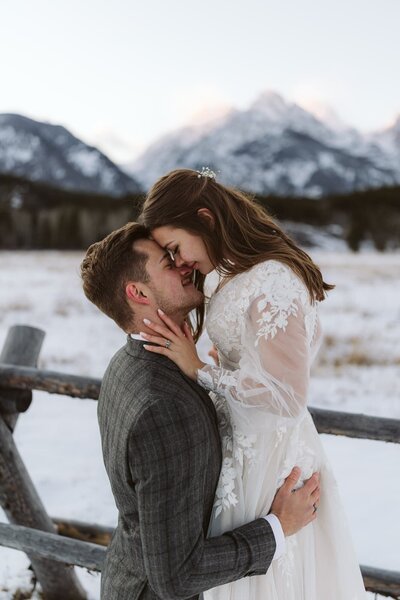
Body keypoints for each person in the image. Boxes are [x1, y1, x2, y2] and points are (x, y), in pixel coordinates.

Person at [139, 168, 367, 599]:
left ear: (204, 218)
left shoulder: (274, 280)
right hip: (243, 452)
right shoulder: (229, 273)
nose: (180, 262)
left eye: (176, 247)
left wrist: (202, 371)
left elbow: (287, 395)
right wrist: (228, 363)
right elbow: (261, 364)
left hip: (269, 460)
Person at [80, 222, 320, 600]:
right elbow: (177, 575)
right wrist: (279, 525)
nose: (183, 265)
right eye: (167, 262)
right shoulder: (164, 407)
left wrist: (222, 374)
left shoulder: (127, 363)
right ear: (138, 292)